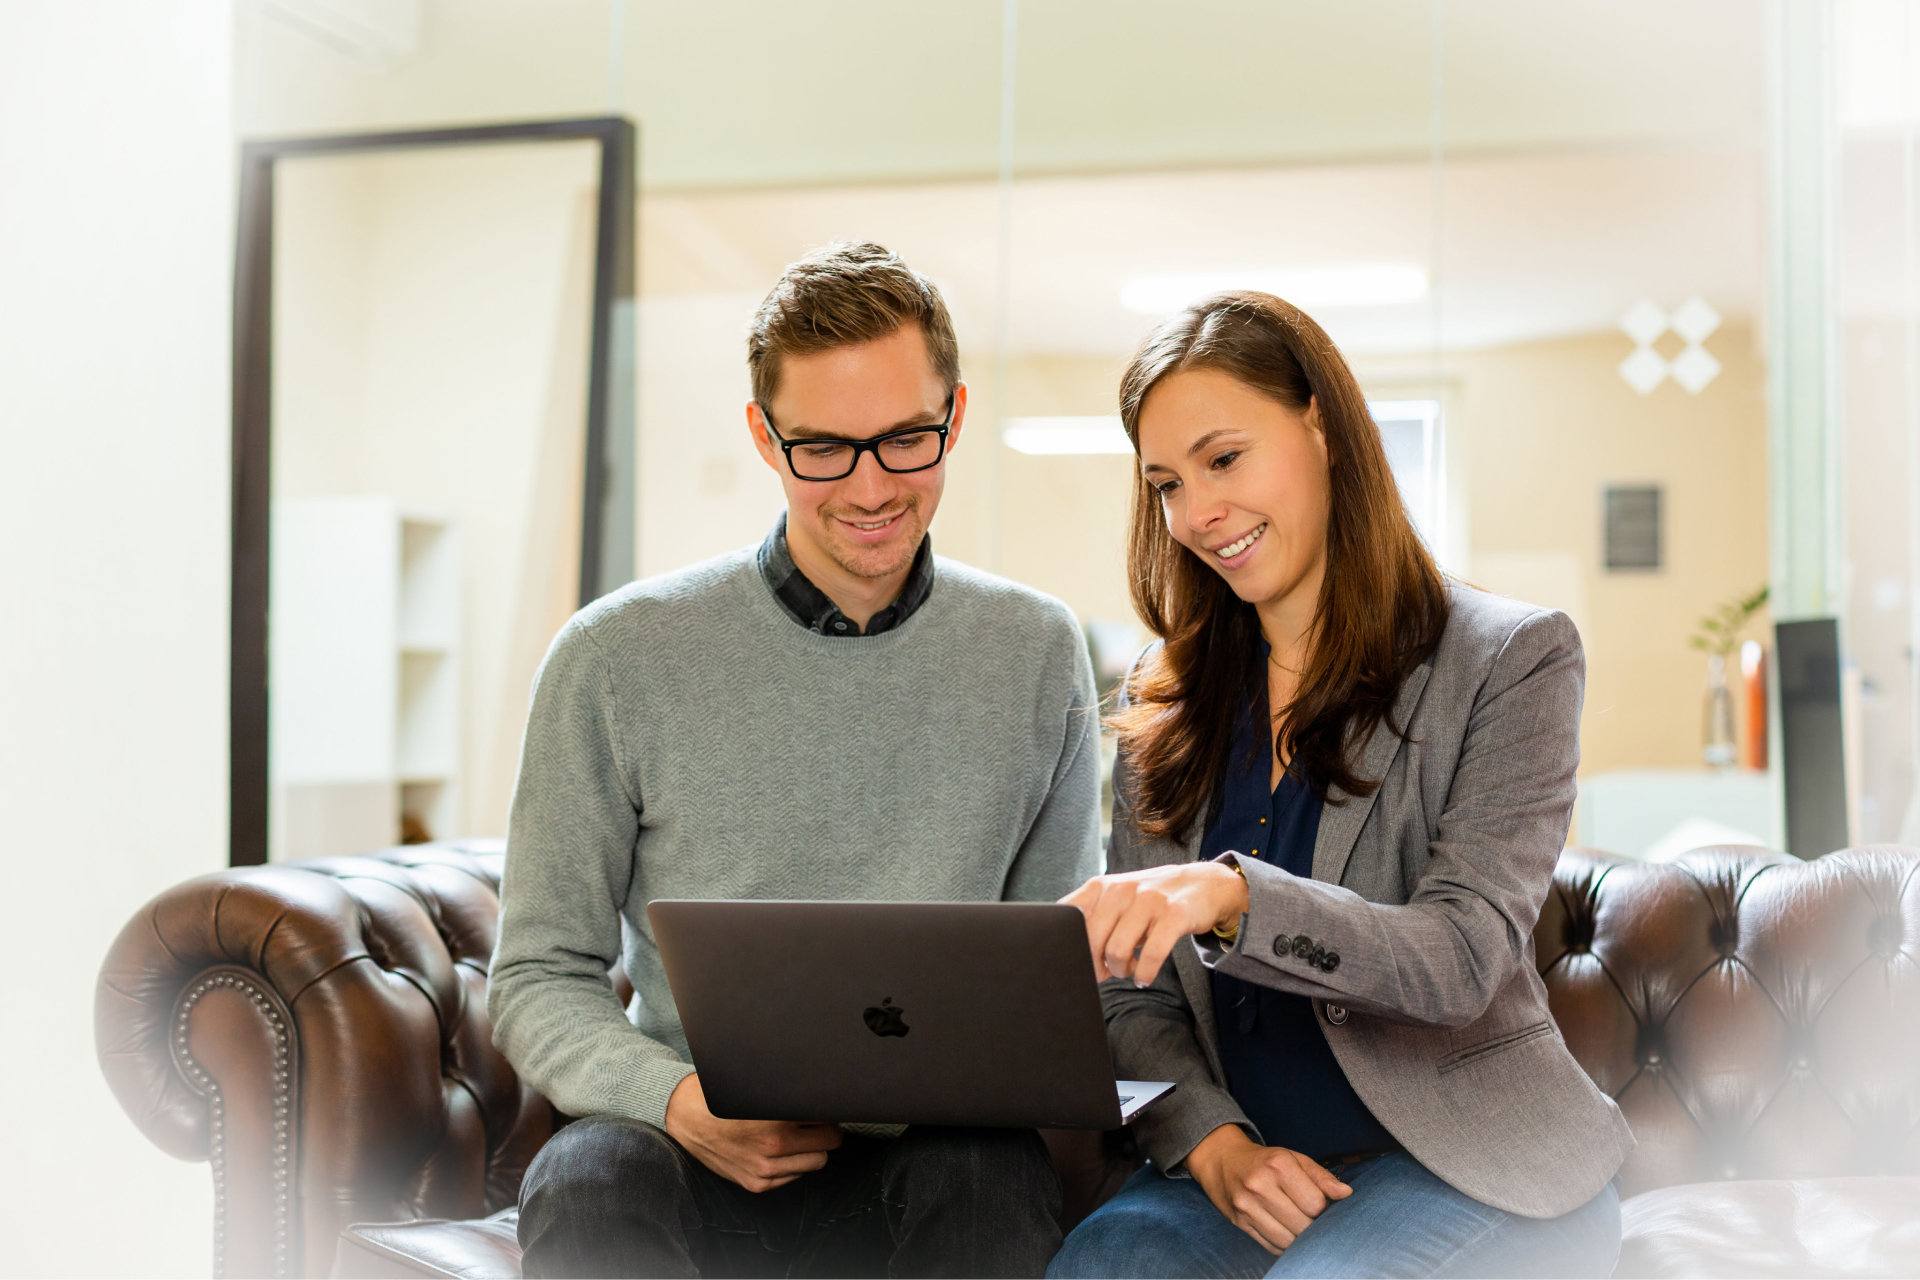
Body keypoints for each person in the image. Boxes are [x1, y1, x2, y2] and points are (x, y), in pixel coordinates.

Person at [490, 242, 1101, 1279]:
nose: (869, 488)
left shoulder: (1039, 651)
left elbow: (1059, 967)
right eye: (823, 447)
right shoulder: (613, 656)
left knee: (989, 1182)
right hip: (685, 1139)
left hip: (936, 1158)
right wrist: (680, 1101)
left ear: (953, 417)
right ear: (764, 439)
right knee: (585, 1177)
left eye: (906, 439)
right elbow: (537, 975)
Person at [1047, 292, 1635, 1279]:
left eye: (1223, 459)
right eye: (1165, 484)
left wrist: (1237, 896)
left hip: (1469, 1169)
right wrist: (1215, 1146)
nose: (1196, 514)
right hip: (1244, 1171)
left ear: (1319, 422)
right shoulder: (1164, 697)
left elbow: (1461, 957)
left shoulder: (1509, 659)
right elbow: (1129, 997)